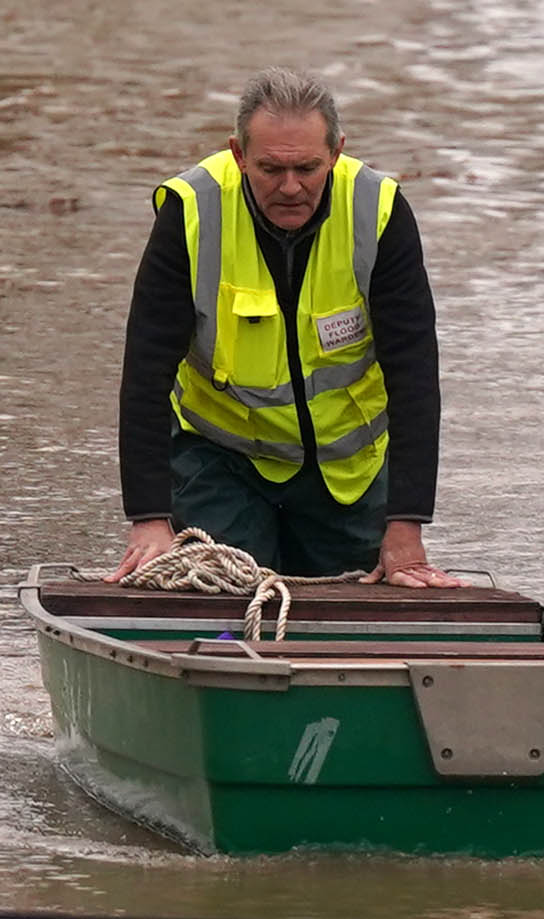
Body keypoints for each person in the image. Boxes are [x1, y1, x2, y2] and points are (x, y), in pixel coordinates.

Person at [107, 68, 464, 588]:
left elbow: (414, 378)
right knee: (222, 606)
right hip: (220, 463)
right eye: (271, 169)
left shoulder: (378, 211)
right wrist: (149, 521)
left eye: (308, 168)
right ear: (238, 154)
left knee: (355, 622)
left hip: (347, 475)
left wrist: (406, 528)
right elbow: (144, 374)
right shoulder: (192, 212)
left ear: (337, 153)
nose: (291, 187)